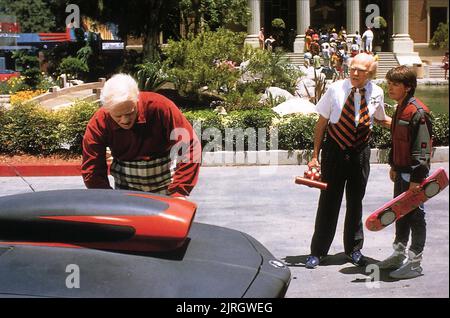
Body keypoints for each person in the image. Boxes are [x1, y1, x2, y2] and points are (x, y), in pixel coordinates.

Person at [304, 53, 391, 269]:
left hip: (360, 152)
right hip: (334, 151)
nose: (354, 73)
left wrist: (407, 123)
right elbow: (321, 123)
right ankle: (318, 252)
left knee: (355, 202)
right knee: (328, 202)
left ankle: (353, 250)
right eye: (352, 68)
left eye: (360, 70)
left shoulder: (376, 92)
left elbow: (379, 119)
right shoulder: (335, 89)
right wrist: (315, 156)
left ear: (370, 73)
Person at [81, 73, 201, 198]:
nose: (125, 120)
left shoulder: (160, 106)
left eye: (130, 113)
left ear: (137, 99)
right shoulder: (99, 121)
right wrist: (107, 198)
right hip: (125, 188)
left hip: (166, 185)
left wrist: (180, 190)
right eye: (118, 116)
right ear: (107, 109)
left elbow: (190, 145)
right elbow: (92, 169)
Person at [376, 66, 432, 279]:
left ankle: (415, 262)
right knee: (400, 213)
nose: (390, 88)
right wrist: (394, 165)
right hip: (401, 173)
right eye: (389, 83)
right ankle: (398, 255)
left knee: (417, 217)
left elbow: (422, 150)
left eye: (395, 84)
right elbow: (397, 141)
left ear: (408, 88)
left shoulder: (419, 112)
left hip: (414, 177)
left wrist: (416, 181)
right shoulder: (400, 107)